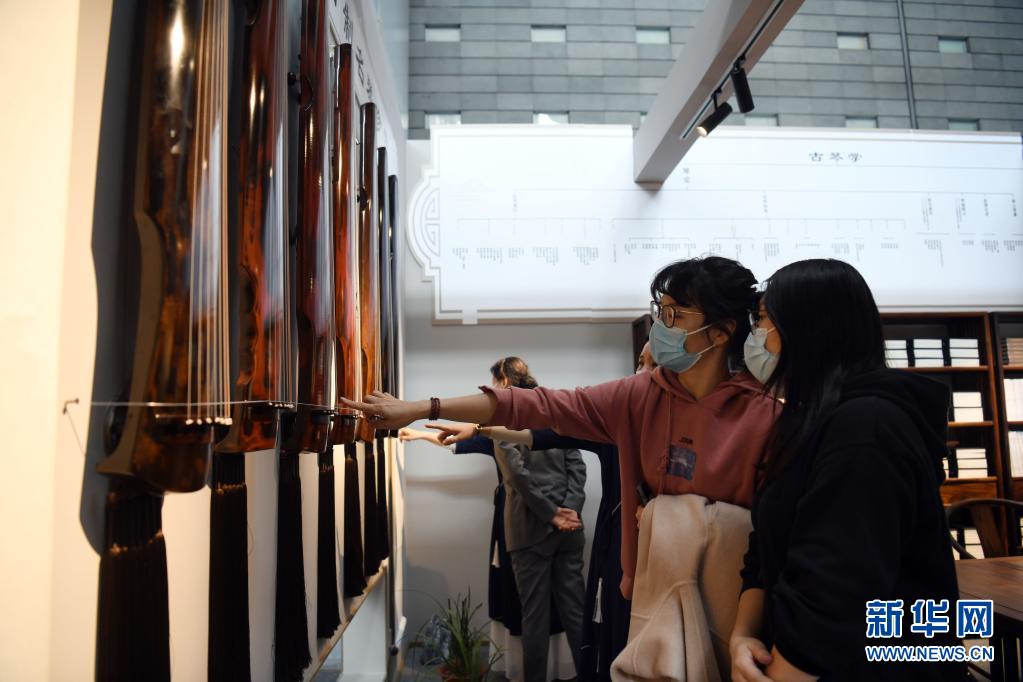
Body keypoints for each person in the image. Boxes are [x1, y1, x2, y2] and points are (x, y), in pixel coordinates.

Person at [344, 256, 780, 672]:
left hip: (731, 611)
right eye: (659, 313)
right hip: (649, 601)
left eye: (674, 316)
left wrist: (668, 517)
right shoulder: (640, 396)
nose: (661, 328)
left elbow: (770, 538)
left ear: (720, 332)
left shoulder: (766, 417)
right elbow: (537, 406)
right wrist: (424, 407)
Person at [730, 259, 965, 682]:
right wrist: (743, 636)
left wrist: (781, 670)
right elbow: (764, 548)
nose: (755, 335)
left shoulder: (866, 429)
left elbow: (836, 591)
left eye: (763, 320)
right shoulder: (805, 422)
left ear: (807, 329)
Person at [403, 357, 587, 682]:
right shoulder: (555, 409)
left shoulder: (505, 416)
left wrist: (550, 514)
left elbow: (516, 474)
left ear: (504, 380)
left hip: (528, 530)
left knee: (534, 618)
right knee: (576, 613)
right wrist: (569, 510)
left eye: (494, 383)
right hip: (568, 530)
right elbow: (577, 465)